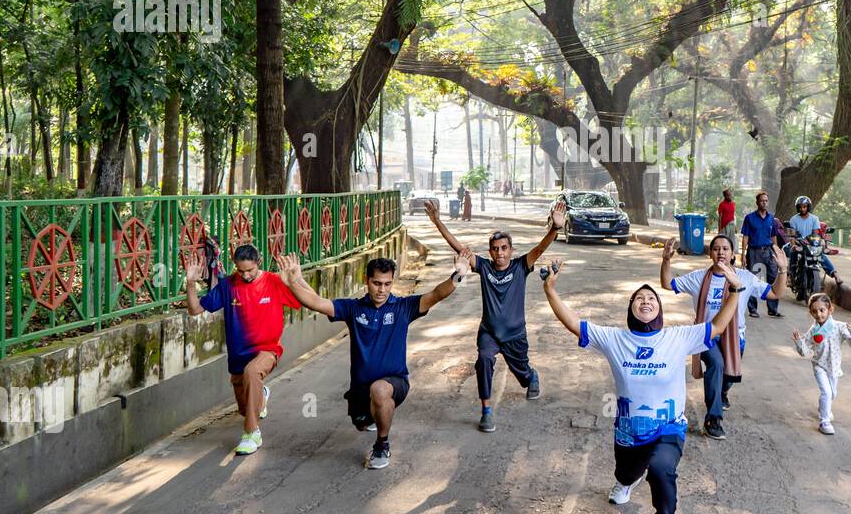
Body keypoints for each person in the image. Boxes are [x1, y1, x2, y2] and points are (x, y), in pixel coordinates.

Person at [543, 256, 743, 514]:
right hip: (628, 432)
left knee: (661, 470)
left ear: (659, 309)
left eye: (651, 298)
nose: (646, 301)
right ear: (631, 309)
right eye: (639, 298)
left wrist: (735, 291)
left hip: (669, 426)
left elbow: (717, 326)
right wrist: (550, 290)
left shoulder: (677, 337)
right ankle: (626, 481)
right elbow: (573, 322)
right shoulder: (614, 339)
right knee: (626, 473)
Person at [278, 250, 472, 469]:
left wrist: (458, 274)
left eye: (387, 284)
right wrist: (294, 282)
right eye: (377, 283)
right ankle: (371, 415)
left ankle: (382, 444)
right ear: (366, 280)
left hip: (395, 381)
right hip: (360, 389)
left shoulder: (403, 308)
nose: (382, 290)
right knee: (362, 421)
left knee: (380, 391)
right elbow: (316, 302)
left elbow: (436, 294)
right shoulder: (353, 308)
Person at [423, 197, 567, 432]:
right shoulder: (485, 267)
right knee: (484, 360)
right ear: (490, 251)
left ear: (511, 250)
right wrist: (437, 221)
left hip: (515, 335)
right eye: (495, 249)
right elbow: (459, 248)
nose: (499, 253)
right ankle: (486, 410)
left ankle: (531, 376)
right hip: (489, 332)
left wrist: (554, 228)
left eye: (504, 248)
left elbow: (540, 248)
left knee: (521, 373)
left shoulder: (521, 266)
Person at [660, 232, 788, 439]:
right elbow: (667, 284)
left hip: (735, 336)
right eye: (716, 248)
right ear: (710, 253)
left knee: (728, 376)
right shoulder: (698, 278)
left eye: (725, 248)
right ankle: (713, 419)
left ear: (732, 253)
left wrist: (783, 269)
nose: (721, 252)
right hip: (706, 335)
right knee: (716, 365)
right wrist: (666, 260)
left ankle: (722, 392)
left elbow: (775, 293)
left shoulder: (745, 277)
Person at [184, 244, 301, 456]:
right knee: (245, 408)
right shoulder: (228, 285)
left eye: (250, 270)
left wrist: (295, 281)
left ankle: (251, 433)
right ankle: (260, 395)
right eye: (241, 271)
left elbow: (302, 302)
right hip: (238, 356)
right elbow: (194, 310)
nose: (245, 275)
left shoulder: (274, 281)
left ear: (259, 263)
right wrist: (190, 283)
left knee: (252, 372)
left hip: (267, 350)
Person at [792, 293, 851, 434]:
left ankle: (824, 408)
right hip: (819, 365)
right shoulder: (813, 331)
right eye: (814, 311)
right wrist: (799, 342)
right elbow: (804, 352)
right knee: (827, 393)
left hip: (834, 366)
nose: (819, 314)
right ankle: (824, 421)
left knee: (832, 394)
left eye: (822, 310)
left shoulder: (840, 327)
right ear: (811, 312)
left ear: (830, 310)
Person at [739, 191, 783, 318]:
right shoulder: (750, 218)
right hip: (754, 251)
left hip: (769, 251)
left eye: (766, 201)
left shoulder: (771, 218)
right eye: (762, 200)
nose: (764, 203)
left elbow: (774, 236)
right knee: (753, 279)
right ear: (757, 202)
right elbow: (745, 236)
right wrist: (743, 254)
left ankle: (772, 309)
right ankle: (753, 309)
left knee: (773, 277)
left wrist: (776, 251)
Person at [786, 195, 842, 287]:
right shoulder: (793, 219)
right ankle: (790, 276)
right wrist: (794, 242)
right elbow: (792, 235)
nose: (802, 209)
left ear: (808, 207)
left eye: (804, 206)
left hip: (811, 243)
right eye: (800, 207)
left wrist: (818, 243)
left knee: (820, 254)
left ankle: (835, 274)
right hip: (798, 243)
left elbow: (815, 234)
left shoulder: (814, 218)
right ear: (797, 207)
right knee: (793, 251)